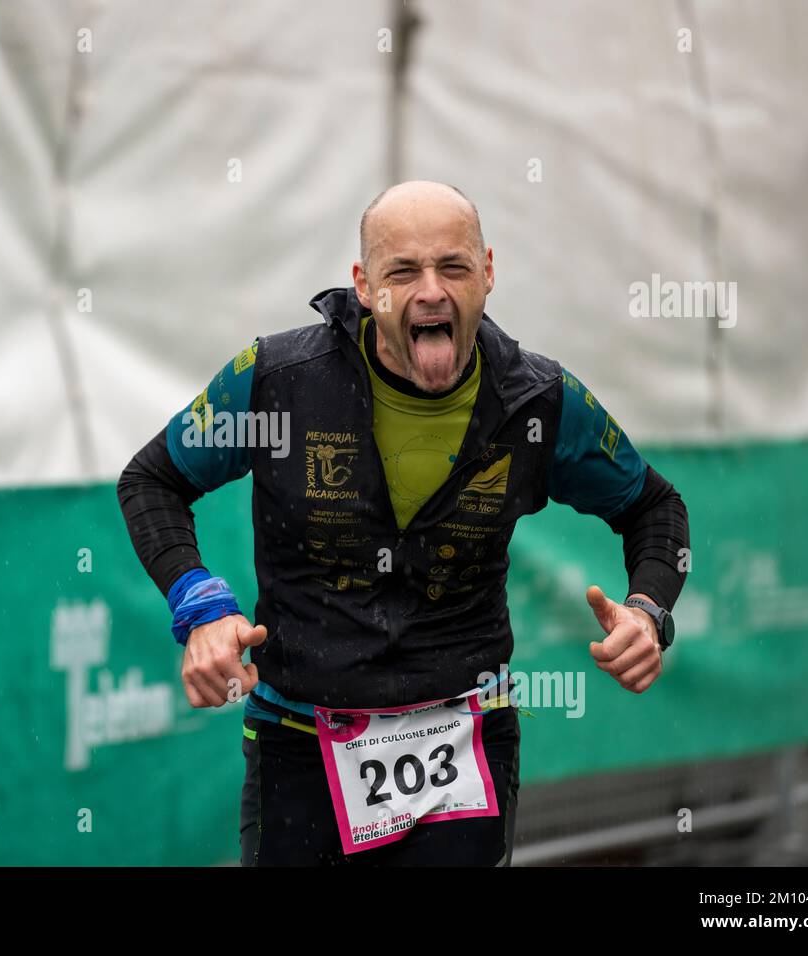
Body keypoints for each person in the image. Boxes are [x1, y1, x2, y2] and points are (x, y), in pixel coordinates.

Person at [117, 180, 690, 866]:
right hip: (301, 745)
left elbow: (654, 507)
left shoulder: (540, 402)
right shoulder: (278, 381)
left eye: (453, 266)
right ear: (364, 286)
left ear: (488, 274)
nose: (430, 291)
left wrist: (648, 609)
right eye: (402, 272)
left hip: (464, 741)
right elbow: (152, 479)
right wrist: (199, 605)